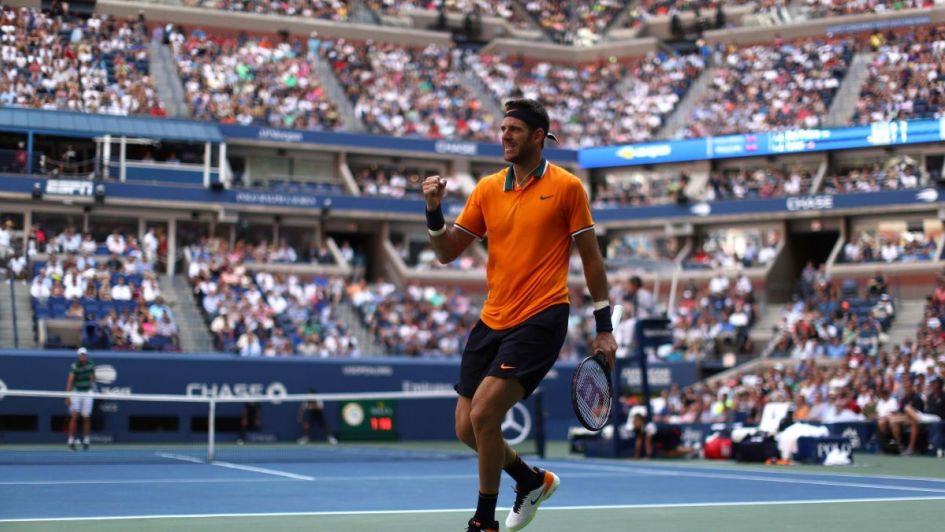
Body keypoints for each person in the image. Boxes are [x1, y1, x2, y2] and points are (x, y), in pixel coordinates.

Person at [423, 98, 617, 532]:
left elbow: (591, 259)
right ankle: (529, 480)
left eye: (514, 129)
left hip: (542, 316)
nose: (505, 136)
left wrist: (603, 328)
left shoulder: (567, 187)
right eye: (503, 129)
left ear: (537, 136)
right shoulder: (487, 189)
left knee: (484, 415)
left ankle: (483, 521)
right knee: (466, 428)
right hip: (493, 318)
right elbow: (446, 252)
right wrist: (434, 211)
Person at [65, 347, 95, 451]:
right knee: (74, 417)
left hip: (87, 393)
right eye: (81, 355)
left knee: (86, 417)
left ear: (87, 355)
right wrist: (68, 396)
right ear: (78, 356)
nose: (83, 356)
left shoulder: (91, 365)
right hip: (76, 392)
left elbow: (92, 377)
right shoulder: (74, 366)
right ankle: (71, 441)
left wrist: (92, 386)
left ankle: (86, 441)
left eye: (84, 355)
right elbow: (70, 381)